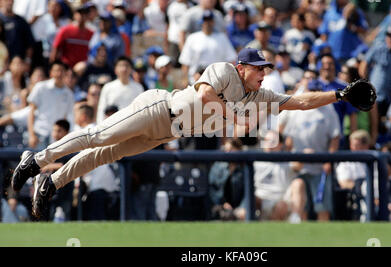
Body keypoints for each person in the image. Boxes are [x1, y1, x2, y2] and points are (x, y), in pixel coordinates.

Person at [9, 47, 368, 220]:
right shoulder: (226, 71)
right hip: (157, 109)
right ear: (243, 67)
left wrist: (339, 95)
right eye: (259, 68)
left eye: (267, 68)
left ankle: (52, 182)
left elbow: (301, 102)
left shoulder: (259, 94)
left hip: (166, 133)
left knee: (106, 154)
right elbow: (204, 94)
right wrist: (234, 116)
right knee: (99, 137)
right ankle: (37, 159)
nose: (264, 73)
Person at [279, 79, 340, 221]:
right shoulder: (296, 111)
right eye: (312, 90)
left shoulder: (329, 110)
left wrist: (329, 161)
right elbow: (288, 139)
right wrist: (291, 161)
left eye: (317, 91)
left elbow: (335, 137)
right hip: (300, 167)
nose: (314, 94)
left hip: (320, 167)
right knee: (301, 208)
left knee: (323, 208)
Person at [253, 131, 307, 223]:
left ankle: (295, 219)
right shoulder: (255, 161)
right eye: (266, 140)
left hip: (281, 202)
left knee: (298, 183)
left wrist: (305, 154)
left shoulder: (287, 160)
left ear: (280, 144)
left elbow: (298, 165)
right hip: (260, 202)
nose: (269, 144)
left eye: (273, 141)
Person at [179, 10, 237, 85]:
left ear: (213, 22)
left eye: (210, 21)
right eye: (206, 21)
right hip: (195, 80)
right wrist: (185, 80)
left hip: (217, 82)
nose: (208, 23)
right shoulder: (192, 38)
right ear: (202, 22)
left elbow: (231, 60)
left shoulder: (222, 38)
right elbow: (185, 62)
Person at [27, 61, 74, 150]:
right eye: (56, 70)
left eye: (62, 71)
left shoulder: (69, 94)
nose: (59, 74)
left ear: (66, 73)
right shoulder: (40, 87)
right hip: (40, 134)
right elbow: (31, 111)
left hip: (57, 138)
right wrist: (31, 135)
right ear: (51, 72)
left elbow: (67, 118)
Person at [96, 56, 144, 123]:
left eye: (127, 66)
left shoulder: (138, 87)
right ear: (115, 69)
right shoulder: (108, 87)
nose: (124, 69)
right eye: (121, 65)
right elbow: (101, 109)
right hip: (112, 125)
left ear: (131, 69)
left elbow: (141, 110)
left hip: (132, 125)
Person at [208, 138, 247, 221]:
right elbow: (212, 189)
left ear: (239, 150)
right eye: (226, 150)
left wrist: (242, 208)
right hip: (219, 206)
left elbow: (247, 193)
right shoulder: (217, 166)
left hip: (238, 208)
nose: (228, 153)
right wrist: (223, 203)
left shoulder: (245, 169)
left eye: (231, 150)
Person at [50, 4, 93, 68]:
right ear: (74, 15)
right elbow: (55, 48)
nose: (82, 16)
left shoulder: (91, 33)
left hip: (82, 69)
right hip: (66, 67)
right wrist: (53, 65)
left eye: (84, 14)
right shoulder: (65, 30)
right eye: (79, 13)